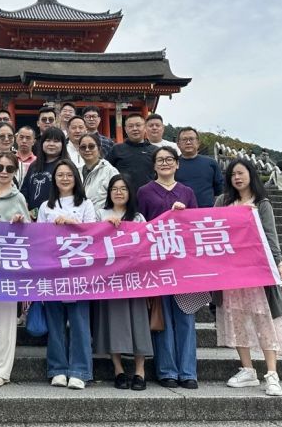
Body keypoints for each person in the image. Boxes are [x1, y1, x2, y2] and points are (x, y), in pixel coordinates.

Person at [215, 158, 282, 397]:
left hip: (256, 269)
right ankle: (247, 369)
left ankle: (272, 373)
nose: (237, 178)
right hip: (231, 271)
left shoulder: (262, 203)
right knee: (235, 318)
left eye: (241, 173)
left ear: (251, 175)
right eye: (233, 174)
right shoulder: (222, 201)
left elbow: (270, 234)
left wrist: (278, 262)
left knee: (264, 319)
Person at [137, 146, 201, 390]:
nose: (165, 163)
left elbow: (196, 227)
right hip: (157, 263)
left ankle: (188, 371)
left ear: (177, 164)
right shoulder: (144, 191)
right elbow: (140, 226)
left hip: (184, 264)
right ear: (154, 166)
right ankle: (167, 370)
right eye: (160, 160)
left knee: (186, 316)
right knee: (161, 316)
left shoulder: (187, 192)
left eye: (169, 159)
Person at [38, 159, 96, 390]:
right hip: (53, 270)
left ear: (76, 178)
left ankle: (80, 371)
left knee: (80, 321)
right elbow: (39, 237)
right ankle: (58, 369)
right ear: (54, 179)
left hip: (79, 270)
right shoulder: (46, 206)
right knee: (55, 321)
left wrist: (72, 223)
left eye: (69, 175)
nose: (64, 178)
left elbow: (94, 233)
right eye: (60, 175)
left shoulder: (86, 204)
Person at [91, 174, 151, 391]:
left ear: (130, 193)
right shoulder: (100, 214)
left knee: (138, 322)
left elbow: (146, 246)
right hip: (109, 279)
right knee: (112, 322)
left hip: (134, 279)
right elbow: (91, 241)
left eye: (123, 189)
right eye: (114, 188)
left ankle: (140, 370)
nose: (118, 192)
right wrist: (104, 227)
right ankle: (118, 369)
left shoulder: (139, 218)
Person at [0, 151, 32, 387]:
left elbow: (29, 232)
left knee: (5, 317)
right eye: (0, 167)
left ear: (15, 172)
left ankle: (0, 371)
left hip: (7, 262)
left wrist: (20, 222)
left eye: (9, 168)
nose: (3, 172)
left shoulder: (18, 197)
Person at [20, 127, 67, 214]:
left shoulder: (66, 167)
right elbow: (24, 190)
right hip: (32, 216)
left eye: (56, 141)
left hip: (55, 215)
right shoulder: (34, 166)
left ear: (63, 144)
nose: (51, 144)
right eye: (48, 140)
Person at [107, 114, 157, 193]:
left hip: (148, 195)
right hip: (123, 195)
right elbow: (106, 172)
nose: (135, 129)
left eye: (138, 125)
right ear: (125, 129)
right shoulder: (116, 149)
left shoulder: (155, 151)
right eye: (130, 126)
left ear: (145, 128)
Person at [175, 126, 223, 208]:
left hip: (207, 211)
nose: (188, 142)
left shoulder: (211, 163)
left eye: (191, 139)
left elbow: (219, 190)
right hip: (180, 210)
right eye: (184, 139)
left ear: (198, 143)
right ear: (178, 144)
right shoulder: (172, 164)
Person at [78, 133, 117, 213]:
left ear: (99, 149)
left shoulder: (110, 171)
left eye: (91, 146)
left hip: (101, 218)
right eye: (83, 147)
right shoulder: (76, 172)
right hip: (78, 218)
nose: (87, 150)